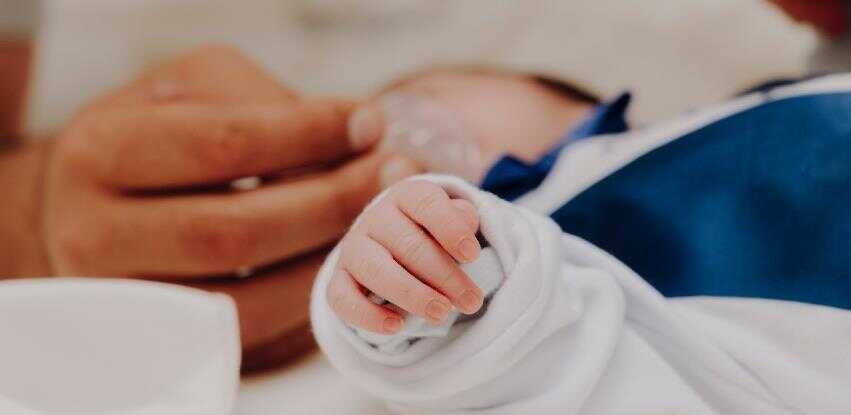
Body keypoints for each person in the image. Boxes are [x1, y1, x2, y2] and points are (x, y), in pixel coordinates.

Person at [312, 72, 851, 414]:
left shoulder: (723, 123)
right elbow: (484, 357)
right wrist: (384, 292)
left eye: (414, 103)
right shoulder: (524, 262)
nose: (403, 146)